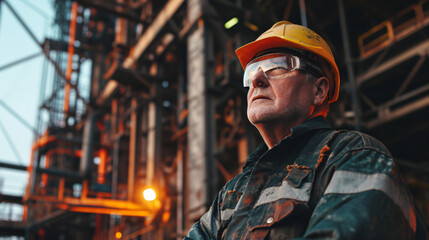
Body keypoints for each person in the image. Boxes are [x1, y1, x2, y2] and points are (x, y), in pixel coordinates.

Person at [184, 21, 427, 239]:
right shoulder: (232, 193)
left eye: (277, 66)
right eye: (252, 71)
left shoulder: (353, 155)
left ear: (319, 91)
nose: (257, 79)